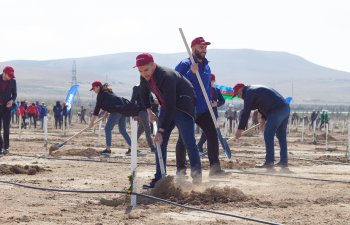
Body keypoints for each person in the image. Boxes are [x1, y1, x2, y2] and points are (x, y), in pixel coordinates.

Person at [136, 53, 202, 188]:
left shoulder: (166, 76)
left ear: (153, 65)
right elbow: (143, 92)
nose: (144, 74)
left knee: (188, 141)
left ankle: (197, 180)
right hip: (167, 105)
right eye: (140, 71)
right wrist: (149, 111)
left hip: (183, 104)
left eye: (146, 70)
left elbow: (172, 104)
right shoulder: (145, 76)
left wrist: (161, 129)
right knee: (159, 142)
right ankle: (160, 179)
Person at [175, 37, 226, 176]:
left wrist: (210, 100)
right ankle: (181, 169)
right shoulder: (185, 63)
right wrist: (191, 72)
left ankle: (215, 169)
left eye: (205, 47)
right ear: (193, 48)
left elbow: (207, 87)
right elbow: (176, 83)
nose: (203, 49)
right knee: (184, 139)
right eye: (200, 46)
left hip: (204, 108)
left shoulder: (207, 66)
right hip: (188, 108)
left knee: (212, 134)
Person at [233, 83, 290, 168]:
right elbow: (262, 103)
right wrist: (263, 117)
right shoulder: (253, 90)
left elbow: (246, 112)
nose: (239, 97)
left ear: (241, 90)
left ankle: (269, 161)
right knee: (281, 135)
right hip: (285, 108)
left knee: (268, 134)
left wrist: (240, 129)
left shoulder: (249, 93)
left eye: (237, 94)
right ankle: (284, 161)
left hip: (277, 110)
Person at [89, 80, 141, 155]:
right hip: (123, 109)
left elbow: (96, 110)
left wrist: (92, 123)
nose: (93, 90)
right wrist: (105, 113)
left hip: (117, 110)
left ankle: (108, 149)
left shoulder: (101, 95)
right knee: (123, 130)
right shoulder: (107, 92)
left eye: (94, 88)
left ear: (98, 87)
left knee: (107, 128)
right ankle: (133, 148)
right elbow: (111, 102)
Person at [197, 73, 225, 152]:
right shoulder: (202, 89)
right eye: (209, 81)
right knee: (207, 130)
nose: (210, 82)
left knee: (211, 130)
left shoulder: (216, 90)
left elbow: (222, 100)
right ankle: (200, 145)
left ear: (214, 81)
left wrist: (217, 103)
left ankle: (200, 145)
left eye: (212, 81)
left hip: (214, 113)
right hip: (204, 113)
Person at [130, 84, 156, 153]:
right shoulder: (137, 88)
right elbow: (132, 101)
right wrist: (134, 113)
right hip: (141, 111)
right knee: (148, 130)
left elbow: (151, 100)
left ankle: (131, 146)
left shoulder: (148, 87)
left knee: (140, 131)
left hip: (146, 112)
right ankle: (152, 147)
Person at [0, 66, 17, 155]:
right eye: (9, 75)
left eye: (11, 76)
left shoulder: (13, 82)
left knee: (6, 128)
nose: (10, 77)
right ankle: (0, 147)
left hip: (7, 108)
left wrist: (12, 100)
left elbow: (14, 94)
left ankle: (6, 148)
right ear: (4, 73)